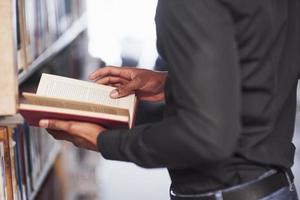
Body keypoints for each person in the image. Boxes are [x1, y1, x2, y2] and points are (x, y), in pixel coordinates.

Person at [38, 0, 300, 199]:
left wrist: (103, 141)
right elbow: (261, 62)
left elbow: (205, 136)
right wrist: (174, 82)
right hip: (276, 186)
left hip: (224, 189)